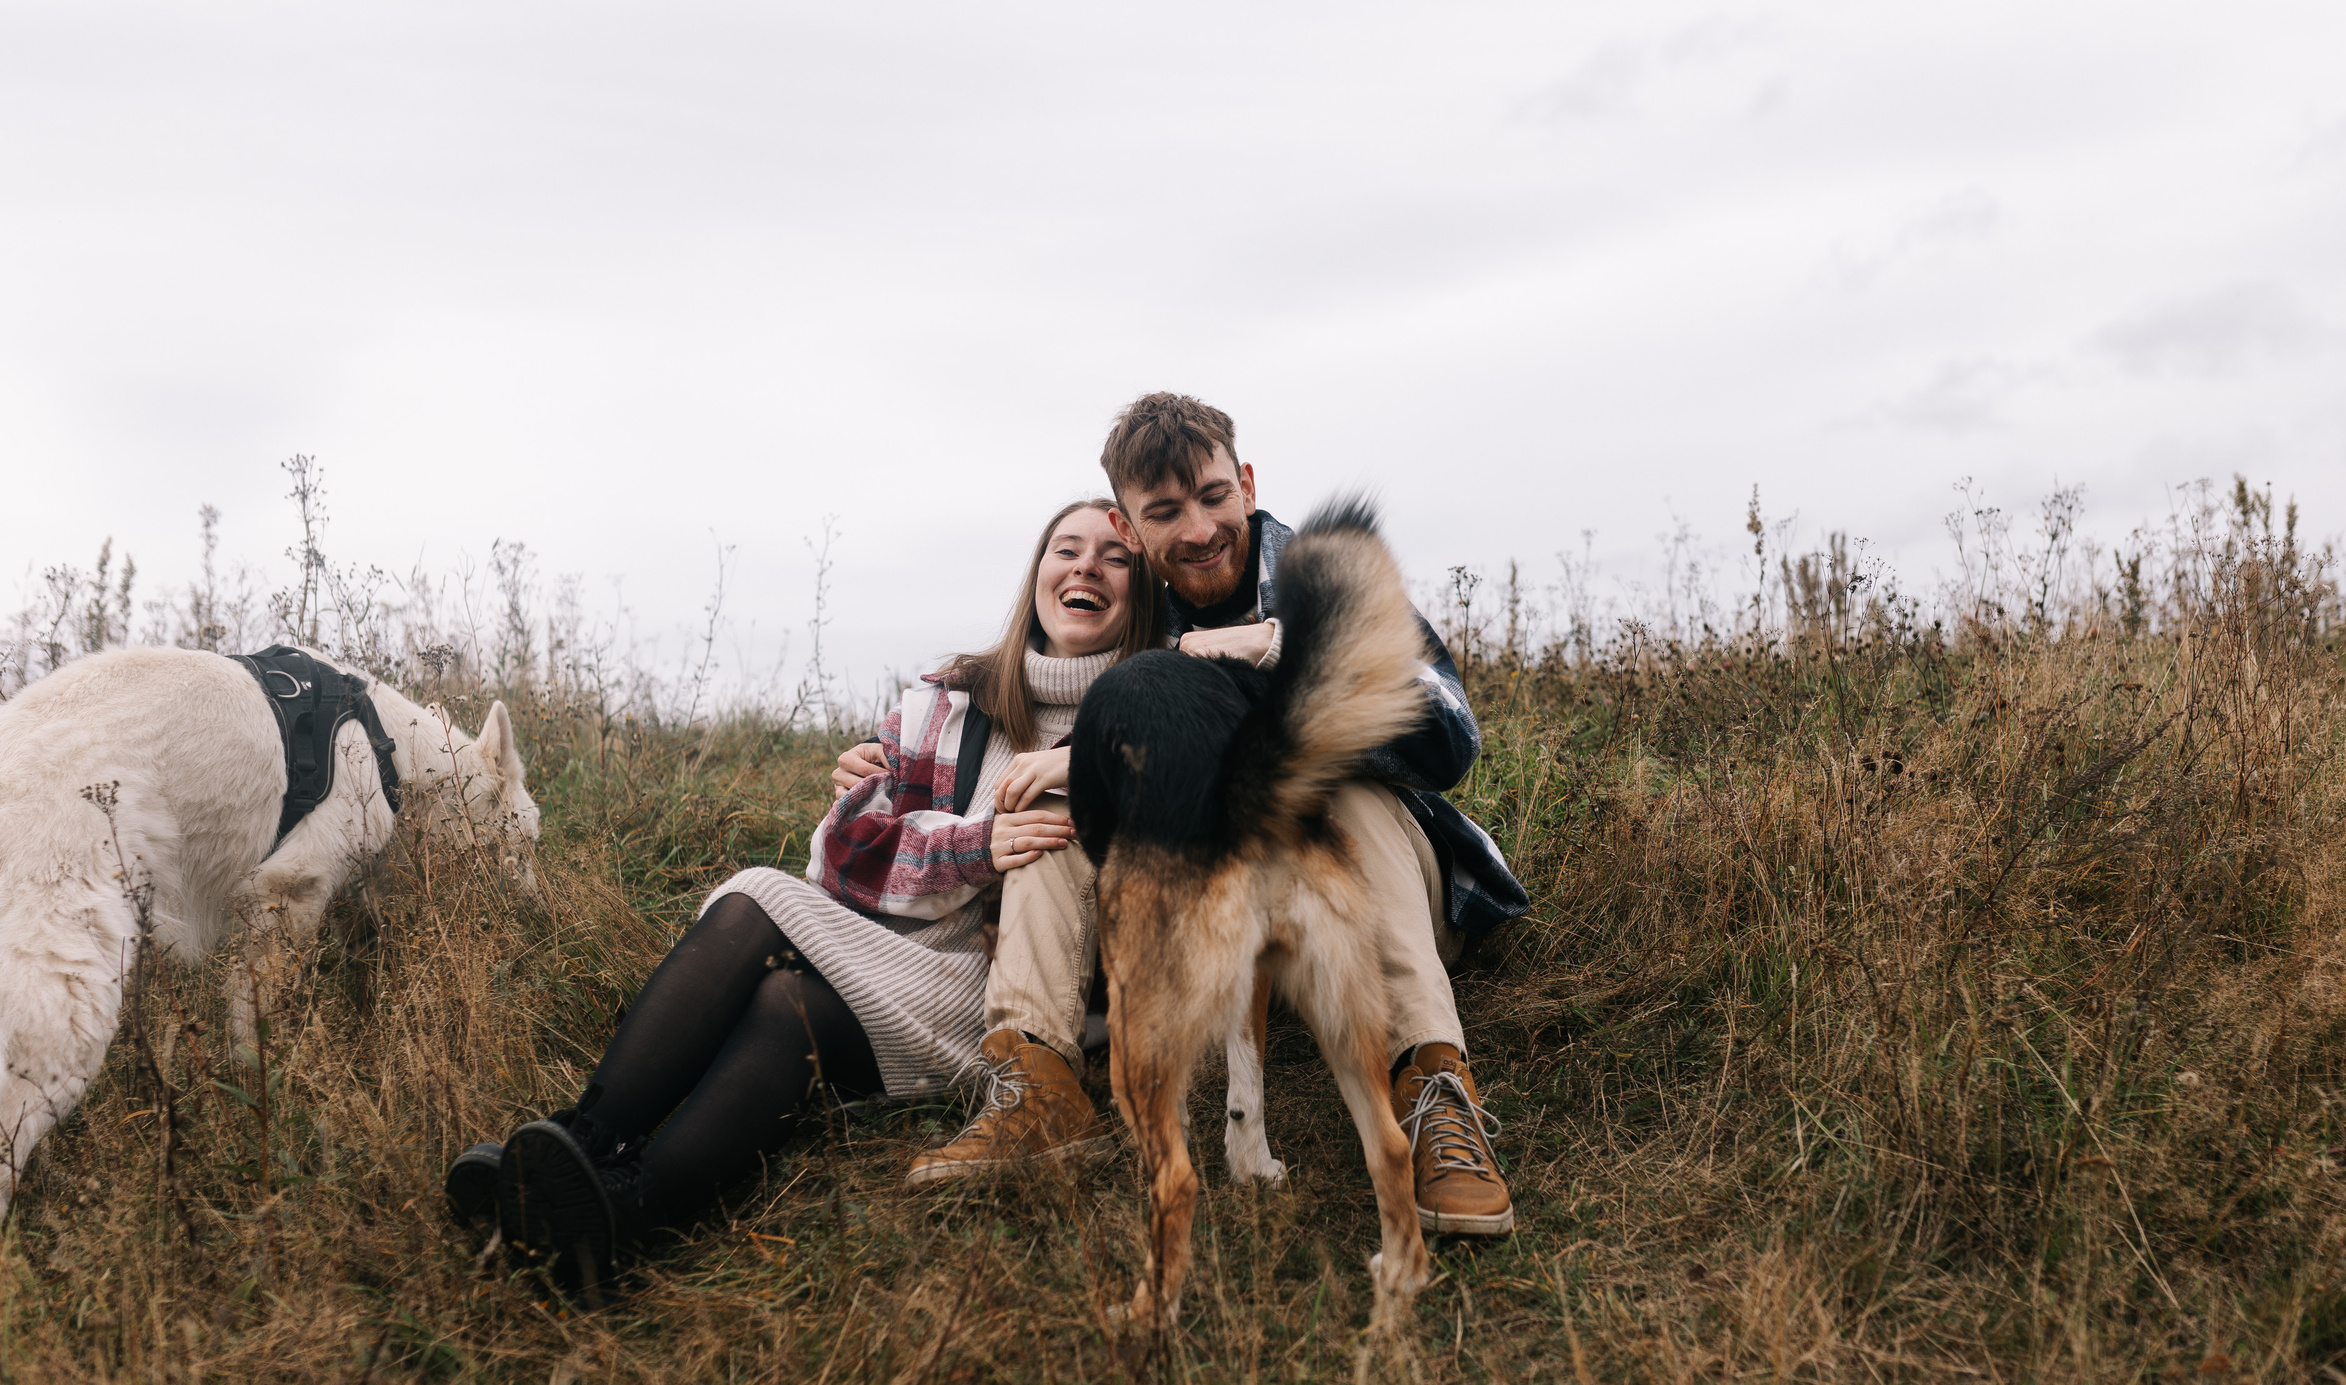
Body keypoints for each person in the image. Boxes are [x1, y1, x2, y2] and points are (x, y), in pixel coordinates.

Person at [445, 499, 1160, 1286]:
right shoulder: (947, 703)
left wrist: (929, 846)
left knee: (772, 942)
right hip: (883, 944)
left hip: (985, 994)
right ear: (1038, 575)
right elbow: (845, 849)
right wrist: (974, 846)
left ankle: (606, 1183)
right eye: (1066, 548)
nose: (1086, 566)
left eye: (1115, 557)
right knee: (778, 971)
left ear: (1140, 591)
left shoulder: (1143, 724)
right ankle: (599, 1173)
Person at [900, 393, 1532, 1232]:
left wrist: (1275, 647)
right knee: (1062, 802)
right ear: (1129, 526)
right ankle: (1039, 1082)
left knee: (1331, 777)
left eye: (1211, 497)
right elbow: (1023, 678)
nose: (1196, 529)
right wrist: (896, 761)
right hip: (1233, 911)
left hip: (1375, 882)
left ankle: (1433, 1087)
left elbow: (1450, 735)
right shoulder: (1139, 621)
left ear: (1245, 483)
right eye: (1163, 512)